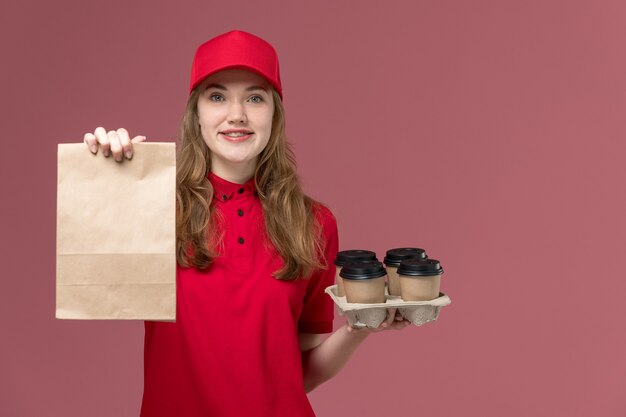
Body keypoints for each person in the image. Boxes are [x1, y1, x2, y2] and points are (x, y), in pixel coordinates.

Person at [83, 30, 411, 417]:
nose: (236, 114)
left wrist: (359, 329)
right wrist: (107, 177)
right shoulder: (153, 205)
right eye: (217, 96)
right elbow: (91, 272)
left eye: (255, 98)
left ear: (275, 113)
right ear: (197, 114)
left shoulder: (314, 223)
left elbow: (300, 372)